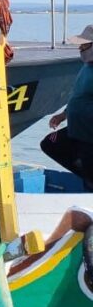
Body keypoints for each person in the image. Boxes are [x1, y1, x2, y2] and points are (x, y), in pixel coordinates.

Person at [41, 25, 93, 190]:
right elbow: (77, 96)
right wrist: (63, 115)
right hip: (76, 129)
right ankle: (85, 171)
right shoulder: (86, 67)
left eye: (84, 45)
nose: (80, 48)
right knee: (49, 143)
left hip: (89, 134)